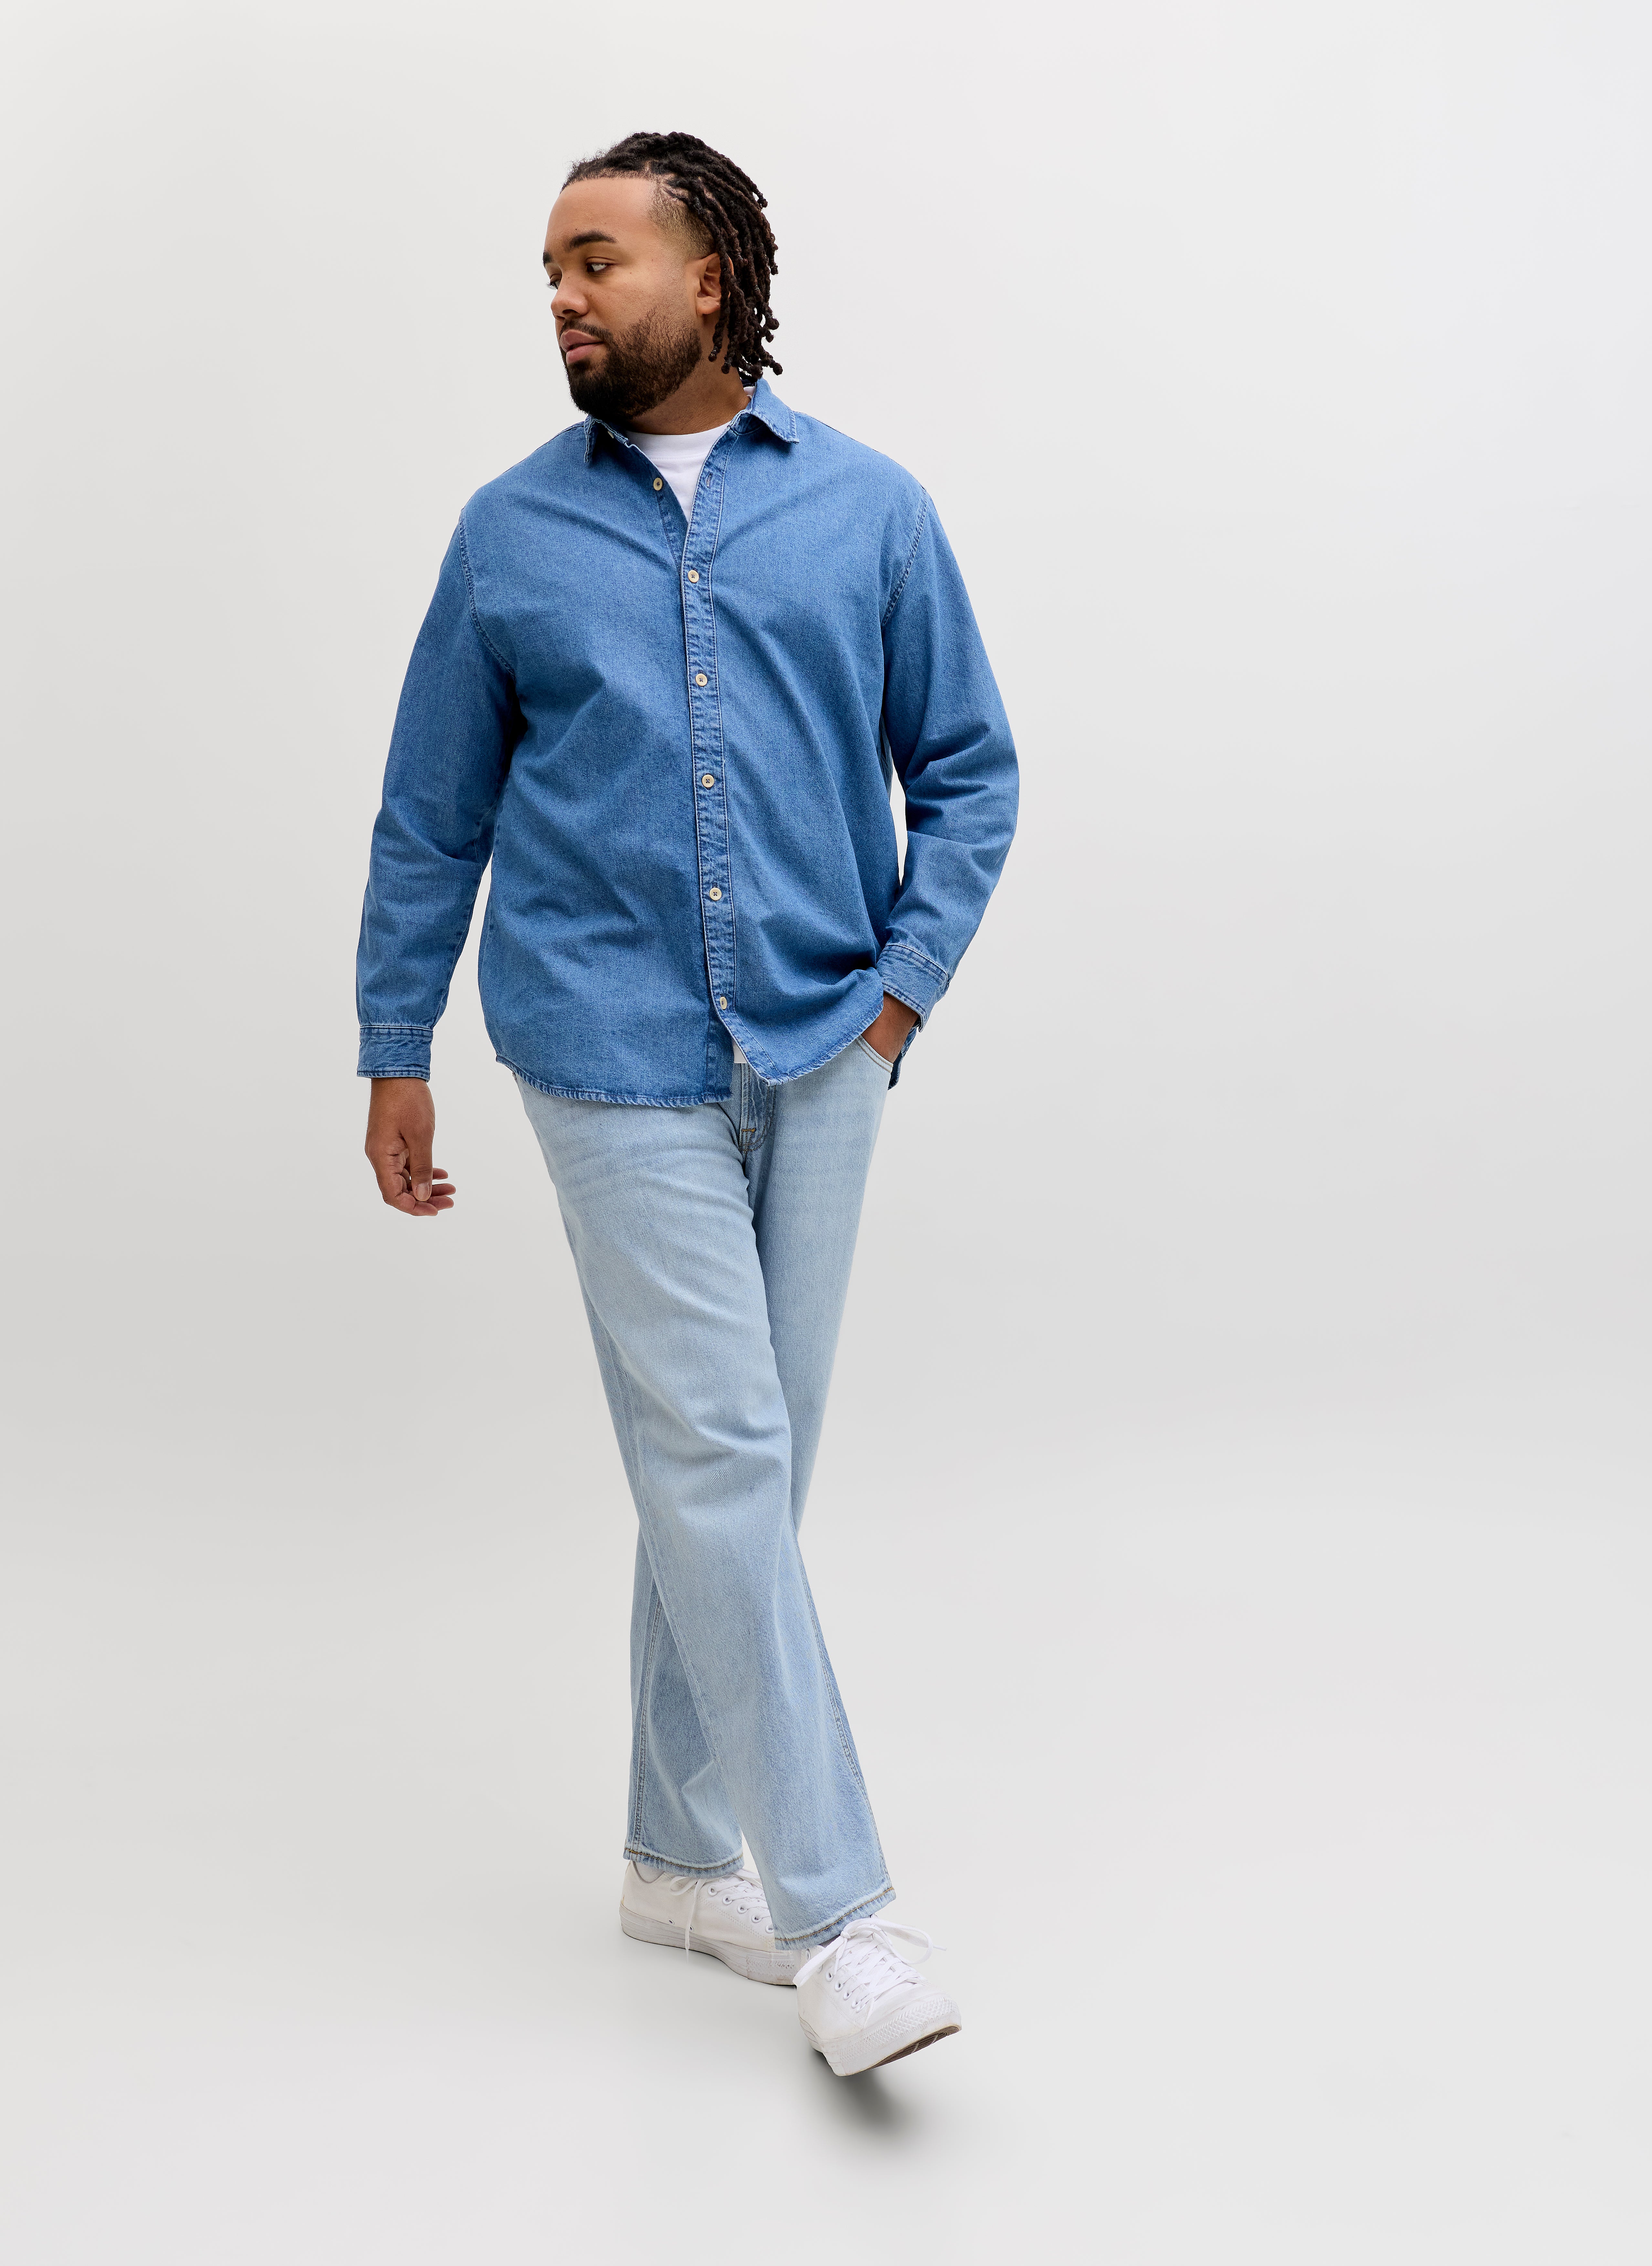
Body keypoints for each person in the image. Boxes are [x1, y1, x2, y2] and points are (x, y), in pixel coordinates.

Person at [355, 131, 1017, 2077]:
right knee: (721, 1449)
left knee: (742, 1469)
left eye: (598, 261)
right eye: (550, 272)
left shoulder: (871, 510)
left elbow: (969, 767)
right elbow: (431, 811)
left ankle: (670, 1857)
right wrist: (395, 1043)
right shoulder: (508, 533)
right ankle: (842, 1918)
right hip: (603, 1047)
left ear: (710, 276)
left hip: (824, 1044)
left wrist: (899, 999)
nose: (565, 297)